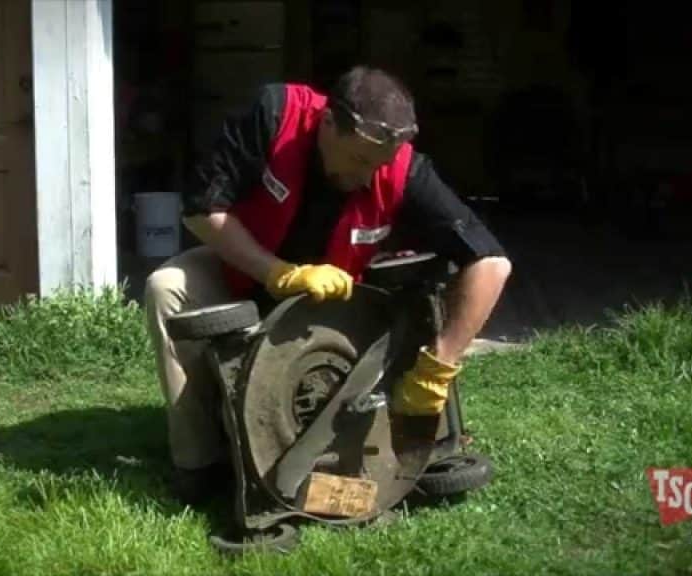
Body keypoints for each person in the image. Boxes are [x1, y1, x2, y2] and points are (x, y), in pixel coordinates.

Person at [143, 66, 511, 504]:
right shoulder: (274, 116)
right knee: (166, 287)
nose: (367, 176)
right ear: (328, 122)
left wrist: (439, 366)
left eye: (379, 165)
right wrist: (277, 273)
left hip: (336, 314)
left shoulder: (405, 171)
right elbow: (201, 209)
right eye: (359, 160)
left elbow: (492, 264)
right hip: (244, 273)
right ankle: (200, 464)